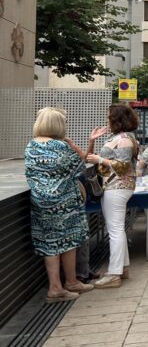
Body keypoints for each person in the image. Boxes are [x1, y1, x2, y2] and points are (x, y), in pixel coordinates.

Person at [25, 108, 94, 302]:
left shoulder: (30, 147)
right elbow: (81, 167)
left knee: (50, 244)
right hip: (64, 202)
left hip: (40, 202)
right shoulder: (60, 147)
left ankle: (55, 287)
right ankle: (70, 282)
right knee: (69, 241)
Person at [85, 104, 139, 289]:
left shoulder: (123, 139)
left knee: (115, 230)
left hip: (117, 186)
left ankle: (114, 273)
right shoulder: (121, 138)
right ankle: (121, 268)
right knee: (117, 229)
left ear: (116, 119)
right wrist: (92, 142)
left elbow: (123, 165)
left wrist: (100, 159)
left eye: (109, 116)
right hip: (116, 186)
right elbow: (89, 157)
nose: (107, 118)